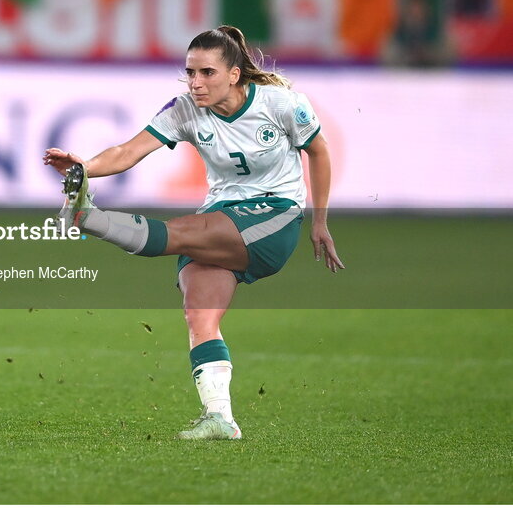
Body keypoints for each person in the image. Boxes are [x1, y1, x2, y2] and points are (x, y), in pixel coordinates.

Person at [42, 25, 343, 440]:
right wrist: (82, 168)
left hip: (275, 215)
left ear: (234, 75)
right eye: (190, 72)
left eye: (207, 73)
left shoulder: (280, 104)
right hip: (222, 214)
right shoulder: (185, 109)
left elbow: (319, 150)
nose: (196, 83)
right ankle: (220, 418)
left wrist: (320, 220)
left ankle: (87, 219)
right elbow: (128, 151)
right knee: (199, 315)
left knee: (180, 233)